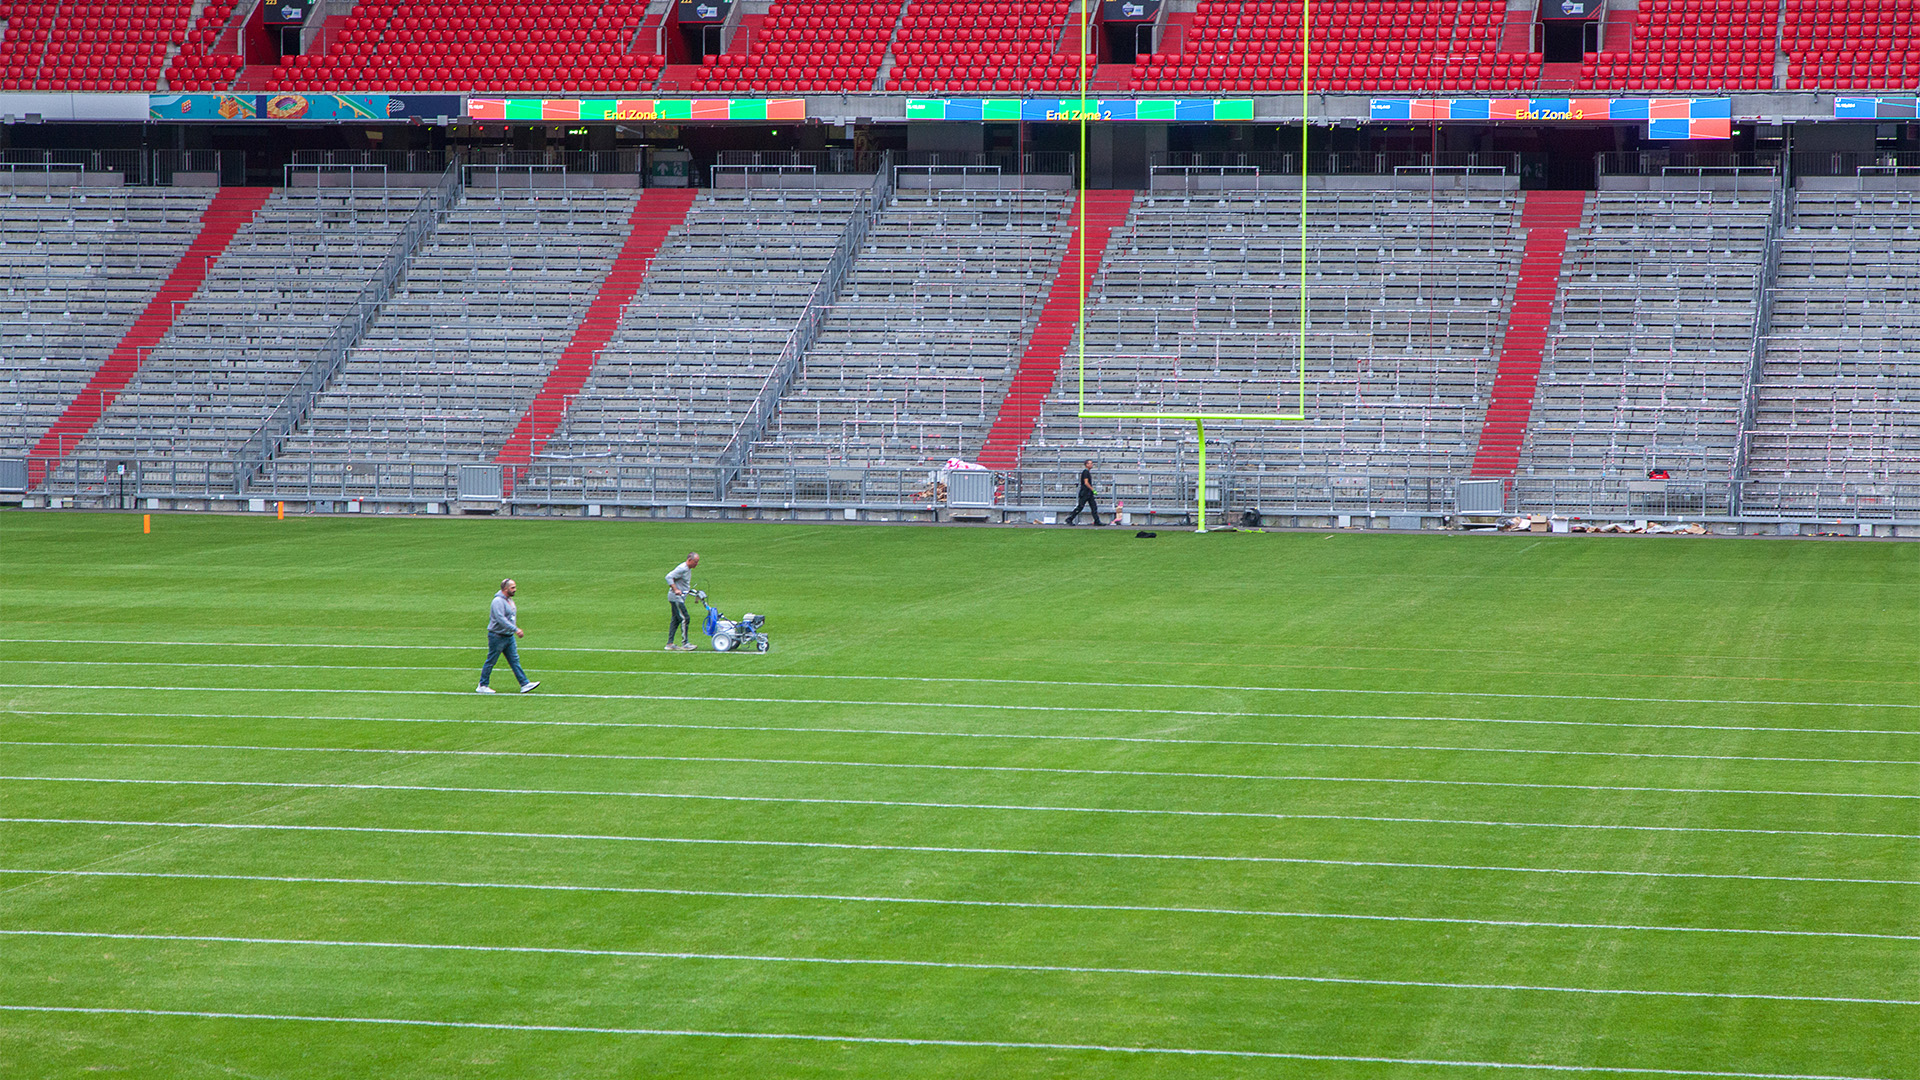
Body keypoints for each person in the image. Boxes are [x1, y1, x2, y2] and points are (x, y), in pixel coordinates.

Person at [477, 579, 538, 694]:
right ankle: (482, 685)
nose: (515, 590)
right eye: (512, 588)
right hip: (497, 636)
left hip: (508, 636)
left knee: (514, 660)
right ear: (505, 589)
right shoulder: (498, 601)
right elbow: (500, 619)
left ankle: (524, 683)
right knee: (491, 660)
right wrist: (516, 629)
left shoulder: (509, 600)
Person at [666, 551, 700, 651]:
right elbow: (668, 577)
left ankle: (669, 643)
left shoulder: (688, 569)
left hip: (679, 597)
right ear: (689, 560)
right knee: (685, 618)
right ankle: (685, 643)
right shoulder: (682, 568)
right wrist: (675, 589)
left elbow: (683, 583)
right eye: (695, 562)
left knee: (675, 620)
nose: (696, 564)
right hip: (675, 598)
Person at [1065, 459, 1103, 526]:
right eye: (1090, 463)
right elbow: (1086, 482)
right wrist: (1092, 489)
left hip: (1088, 493)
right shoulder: (1085, 472)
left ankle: (1097, 521)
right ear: (1086, 464)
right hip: (1085, 493)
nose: (1091, 465)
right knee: (1080, 507)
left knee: (1094, 507)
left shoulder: (1087, 472)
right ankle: (1070, 519)